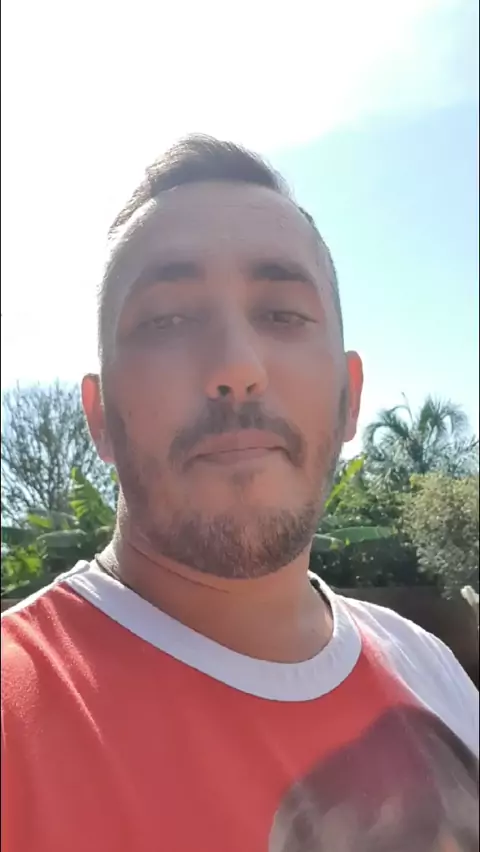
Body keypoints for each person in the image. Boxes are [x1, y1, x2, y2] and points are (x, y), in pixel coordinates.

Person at [1, 135, 478, 852]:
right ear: (99, 417)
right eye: (167, 320)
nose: (236, 367)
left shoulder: (434, 674)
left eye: (283, 315)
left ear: (350, 396)